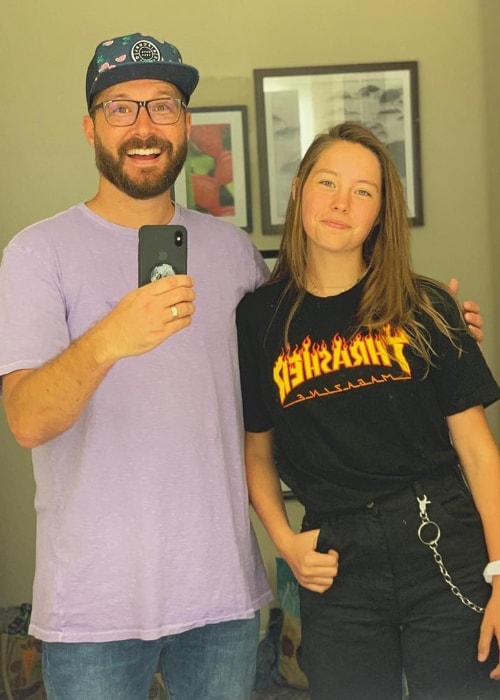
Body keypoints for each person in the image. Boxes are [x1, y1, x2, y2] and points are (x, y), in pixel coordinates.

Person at [0, 32, 273, 700]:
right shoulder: (39, 253)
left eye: (163, 106)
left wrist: (413, 318)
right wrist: (110, 336)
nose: (144, 126)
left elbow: (302, 353)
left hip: (221, 595)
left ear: (185, 125)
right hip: (93, 607)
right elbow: (28, 420)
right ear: (91, 126)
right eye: (122, 107)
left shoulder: (234, 251)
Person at [236, 121, 500, 700]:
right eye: (327, 182)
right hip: (336, 557)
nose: (340, 202)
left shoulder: (425, 305)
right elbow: (256, 451)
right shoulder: (258, 319)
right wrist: (284, 540)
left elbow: (479, 454)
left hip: (442, 544)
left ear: (381, 212)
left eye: (363, 191)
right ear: (301, 189)